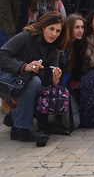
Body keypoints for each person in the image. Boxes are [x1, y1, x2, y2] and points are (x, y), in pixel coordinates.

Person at [0, 11, 66, 145]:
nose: (54, 34)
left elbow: (48, 78)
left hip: (27, 83)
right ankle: (20, 129)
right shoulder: (26, 37)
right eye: (51, 29)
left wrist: (54, 80)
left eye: (58, 31)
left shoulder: (53, 49)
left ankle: (15, 116)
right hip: (8, 78)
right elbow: (2, 56)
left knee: (44, 89)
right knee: (34, 81)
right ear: (43, 27)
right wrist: (24, 67)